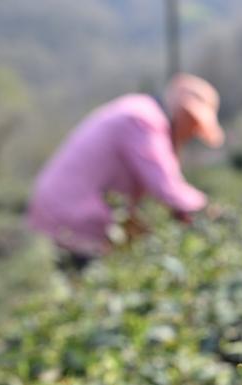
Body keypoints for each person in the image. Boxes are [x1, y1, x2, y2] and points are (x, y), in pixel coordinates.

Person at [27, 74, 224, 269]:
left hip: (67, 210)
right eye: (193, 125)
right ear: (182, 113)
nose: (191, 134)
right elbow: (166, 187)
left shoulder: (140, 113)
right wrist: (210, 213)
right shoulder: (142, 120)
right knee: (90, 280)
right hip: (74, 215)